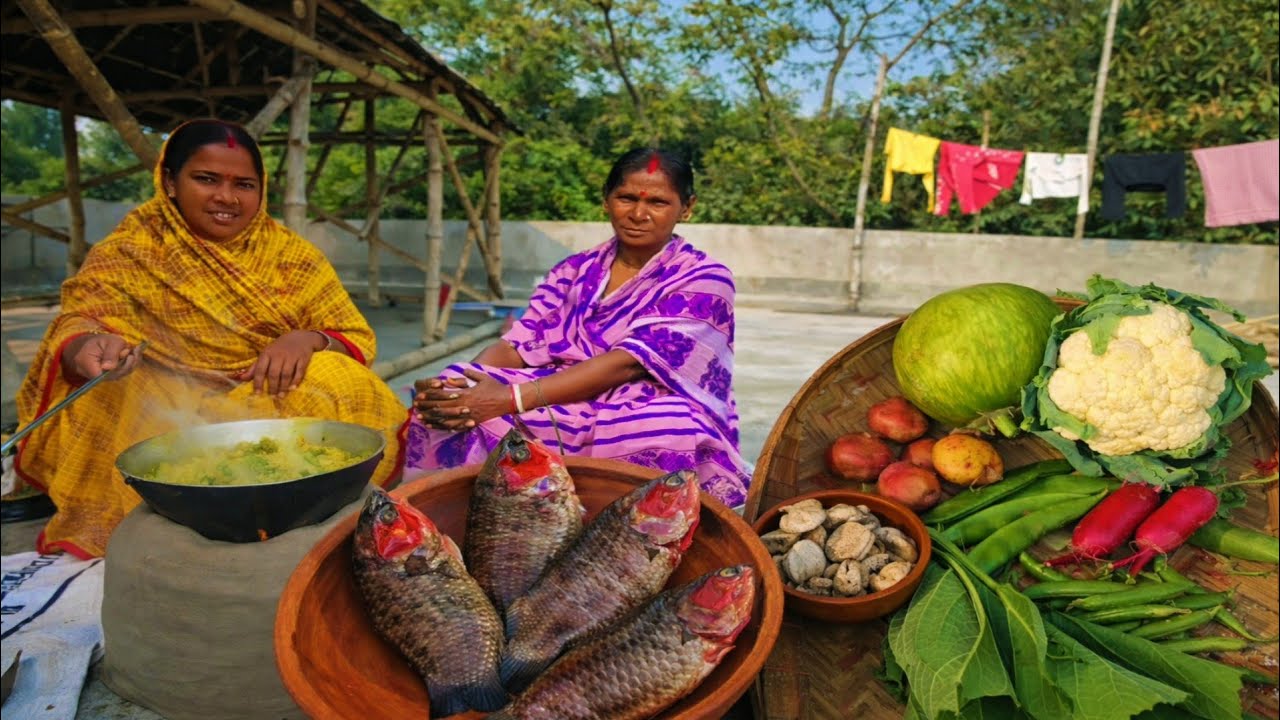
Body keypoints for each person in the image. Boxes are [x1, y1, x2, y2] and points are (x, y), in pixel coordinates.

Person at [13, 119, 409, 558]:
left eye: (244, 184)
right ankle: (135, 520)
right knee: (111, 392)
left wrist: (308, 339)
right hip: (168, 406)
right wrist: (87, 347)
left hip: (269, 401)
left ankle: (299, 506)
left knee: (337, 374)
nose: (226, 197)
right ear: (169, 181)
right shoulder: (130, 251)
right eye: (206, 179)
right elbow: (81, 319)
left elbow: (352, 335)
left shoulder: (291, 255)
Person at [408, 148, 750, 507]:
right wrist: (472, 383)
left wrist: (510, 398)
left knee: (665, 428)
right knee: (450, 393)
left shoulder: (703, 278)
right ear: (606, 200)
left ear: (687, 208)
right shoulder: (573, 270)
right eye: (626, 197)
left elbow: (630, 362)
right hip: (557, 387)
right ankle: (459, 520)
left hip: (639, 399)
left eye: (658, 203)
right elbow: (519, 343)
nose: (638, 213)